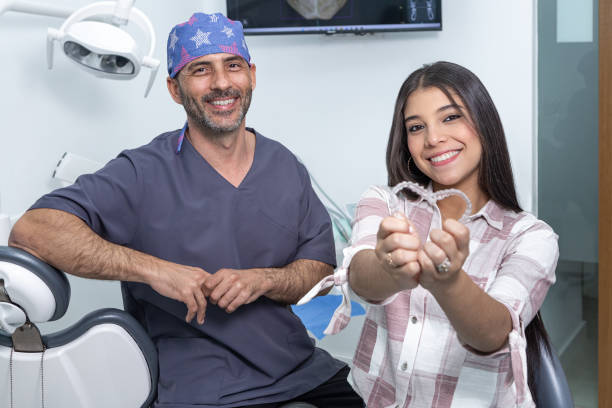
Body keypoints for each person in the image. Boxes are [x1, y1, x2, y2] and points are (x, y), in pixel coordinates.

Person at [8, 12, 364, 408]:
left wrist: (263, 280)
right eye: (200, 70)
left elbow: (318, 272)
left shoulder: (285, 167)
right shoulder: (142, 172)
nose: (222, 83)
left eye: (233, 66)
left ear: (252, 76)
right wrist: (153, 270)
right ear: (175, 89)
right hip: (202, 390)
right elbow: (33, 230)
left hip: (303, 372)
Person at [302, 61, 558, 407]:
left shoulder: (531, 237)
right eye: (416, 127)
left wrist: (448, 282)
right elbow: (361, 279)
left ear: (485, 123)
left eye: (451, 117)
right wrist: (391, 270)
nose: (433, 138)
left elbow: (493, 334)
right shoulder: (384, 202)